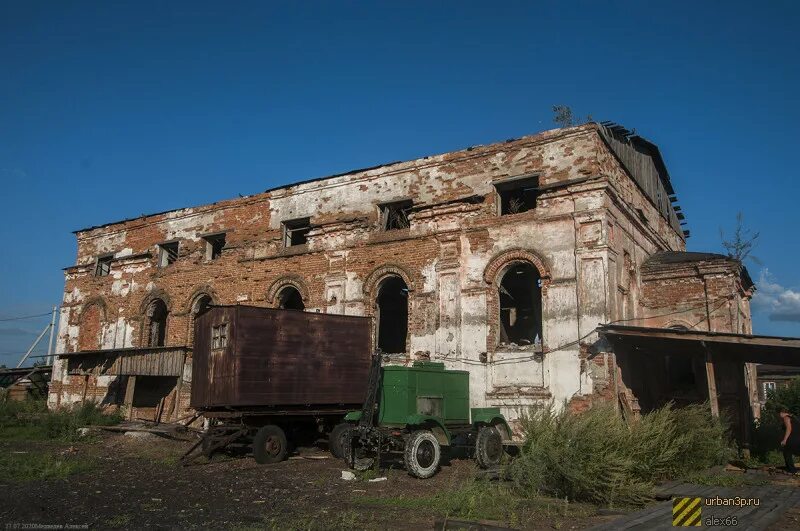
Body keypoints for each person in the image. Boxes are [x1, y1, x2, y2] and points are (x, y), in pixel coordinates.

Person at [779, 406, 800, 474]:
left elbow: (789, 429)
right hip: (797, 438)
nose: (779, 415)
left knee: (787, 452)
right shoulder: (793, 418)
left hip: (792, 438)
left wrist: (784, 440)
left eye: (779, 414)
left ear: (782, 413)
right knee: (793, 451)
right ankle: (790, 469)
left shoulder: (786, 418)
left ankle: (792, 470)